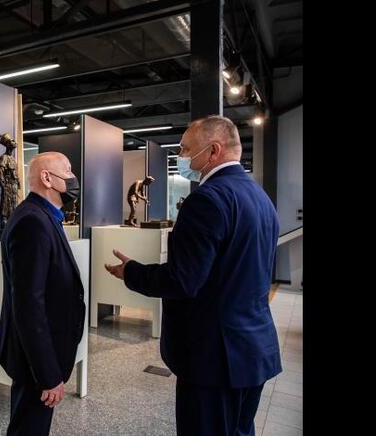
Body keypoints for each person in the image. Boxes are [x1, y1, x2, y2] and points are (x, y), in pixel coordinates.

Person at [104, 115, 281, 436]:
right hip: (252, 350)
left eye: (186, 149)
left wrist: (132, 272)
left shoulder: (207, 199)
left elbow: (183, 280)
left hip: (213, 357)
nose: (181, 157)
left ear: (213, 151)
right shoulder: (261, 199)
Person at [0, 152, 86, 436]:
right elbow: (28, 306)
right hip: (35, 363)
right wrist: (47, 374)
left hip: (39, 357)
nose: (73, 179)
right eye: (68, 171)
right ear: (47, 178)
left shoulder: (45, 217)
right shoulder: (32, 222)